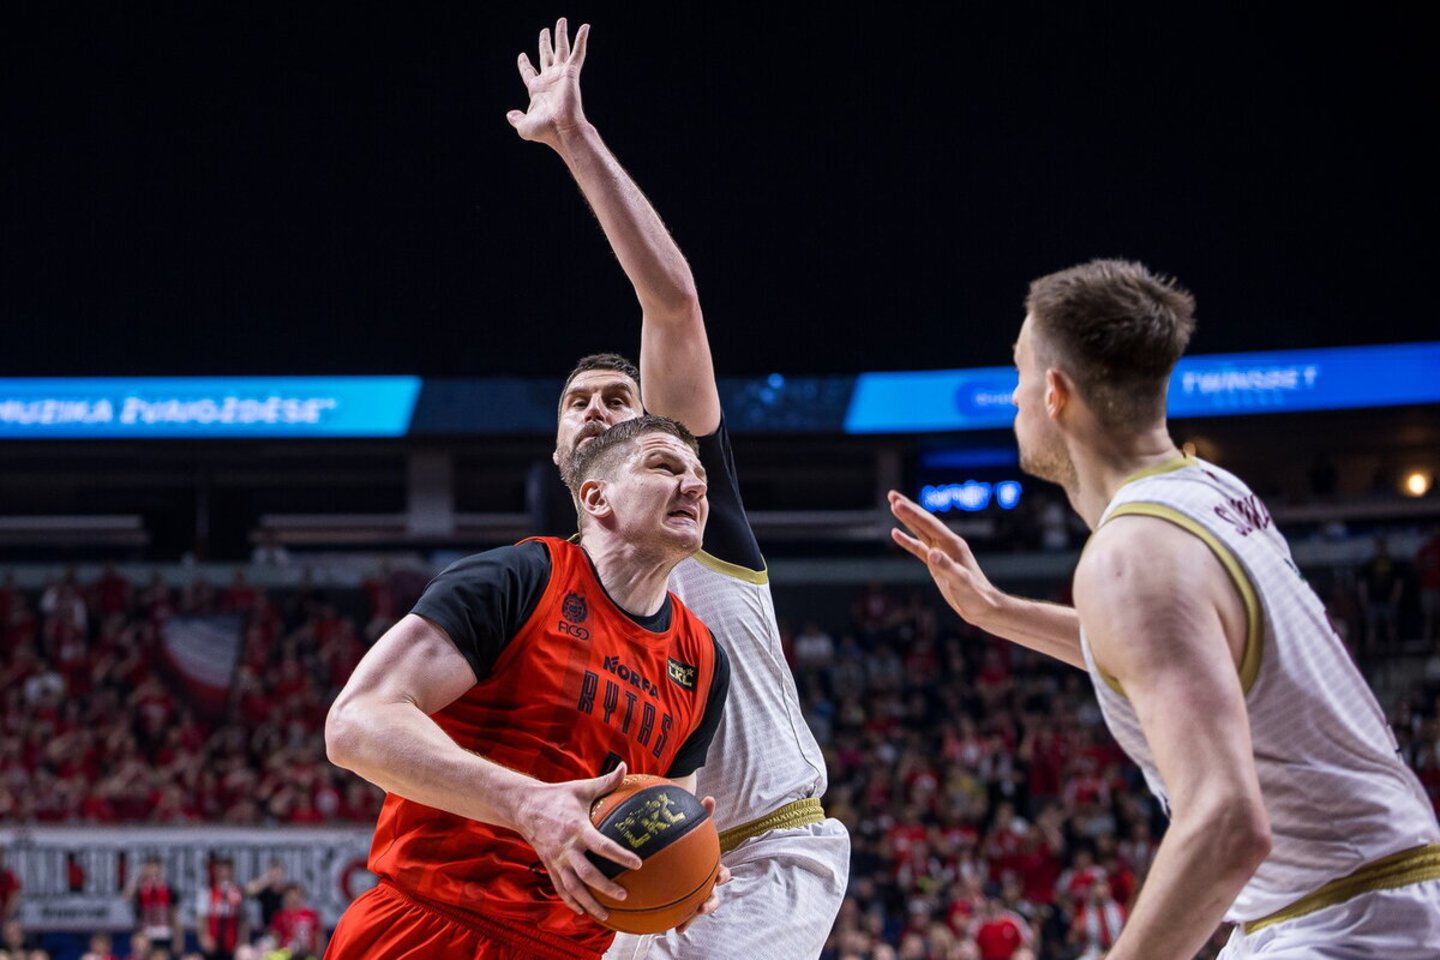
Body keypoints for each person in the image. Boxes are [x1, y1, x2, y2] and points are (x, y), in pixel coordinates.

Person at [889, 259, 1440, 958]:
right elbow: (1182, 647)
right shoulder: (1210, 490)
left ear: (1054, 393)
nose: (1015, 398)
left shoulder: (1128, 556)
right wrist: (995, 609)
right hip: (1353, 898)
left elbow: (1227, 823)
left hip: (1346, 924)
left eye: (1020, 374)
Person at [508, 19, 849, 959]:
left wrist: (574, 142)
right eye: (580, 402)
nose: (602, 409)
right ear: (563, 460)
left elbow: (672, 302)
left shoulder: (700, 519)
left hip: (764, 854)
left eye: (623, 398)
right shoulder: (547, 586)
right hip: (644, 873)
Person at [324, 416, 731, 960]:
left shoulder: (703, 661)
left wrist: (683, 875)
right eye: (665, 467)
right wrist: (525, 803)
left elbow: (662, 808)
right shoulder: (519, 577)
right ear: (597, 497)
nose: (695, 485)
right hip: (431, 926)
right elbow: (355, 723)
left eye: (699, 474)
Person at [195, 856, 246, 960]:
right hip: (212, 942)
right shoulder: (207, 892)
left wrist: (241, 941)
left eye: (228, 870)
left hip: (232, 943)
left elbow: (242, 919)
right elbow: (201, 918)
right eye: (222, 870)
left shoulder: (237, 892)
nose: (225, 873)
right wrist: (204, 937)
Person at [128, 857, 181, 958]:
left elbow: (175, 915)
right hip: (145, 934)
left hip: (164, 934)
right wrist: (138, 876)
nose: (153, 871)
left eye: (156, 868)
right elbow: (127, 896)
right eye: (150, 868)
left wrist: (178, 938)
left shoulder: (169, 889)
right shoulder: (140, 889)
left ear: (161, 870)